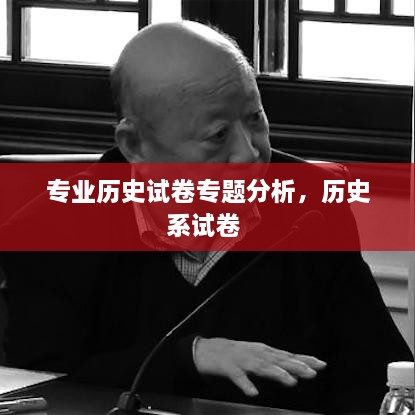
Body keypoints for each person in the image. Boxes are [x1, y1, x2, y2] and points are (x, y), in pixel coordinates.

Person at [0, 21, 412, 414]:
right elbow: (39, 389)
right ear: (135, 145)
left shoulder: (310, 204)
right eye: (217, 136)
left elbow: (378, 378)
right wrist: (188, 355)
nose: (249, 154)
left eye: (255, 119)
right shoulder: (52, 230)